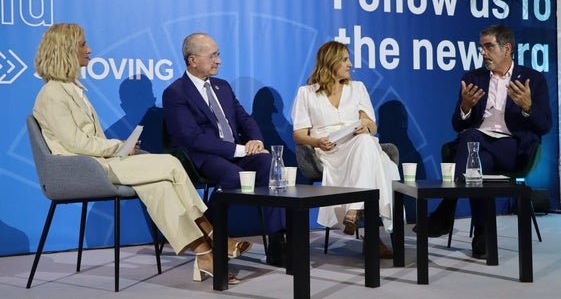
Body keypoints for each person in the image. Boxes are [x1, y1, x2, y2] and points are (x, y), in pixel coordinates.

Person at [32, 23, 251, 284]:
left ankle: (204, 255)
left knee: (159, 187)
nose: (89, 50)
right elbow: (76, 143)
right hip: (82, 168)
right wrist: (118, 146)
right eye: (82, 45)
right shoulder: (52, 93)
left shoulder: (73, 89)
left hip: (100, 161)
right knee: (169, 164)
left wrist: (122, 149)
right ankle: (213, 232)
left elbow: (86, 140)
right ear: (65, 50)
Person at [426, 24, 552, 259]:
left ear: (506, 48)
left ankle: (447, 207)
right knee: (476, 156)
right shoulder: (473, 78)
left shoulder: (533, 80)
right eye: (481, 47)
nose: (483, 52)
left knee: (471, 141)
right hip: (479, 147)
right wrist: (465, 107)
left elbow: (545, 125)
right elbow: (458, 124)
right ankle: (483, 237)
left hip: (513, 147)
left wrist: (528, 107)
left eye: (488, 46)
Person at [162, 32, 286, 266]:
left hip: (236, 152)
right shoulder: (175, 93)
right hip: (202, 157)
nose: (218, 60)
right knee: (233, 176)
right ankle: (210, 234)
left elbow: (244, 119)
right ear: (192, 60)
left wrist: (256, 142)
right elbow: (192, 138)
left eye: (218, 54)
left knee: (269, 165)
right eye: (213, 56)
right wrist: (238, 150)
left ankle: (277, 243)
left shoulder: (222, 86)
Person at [291, 41, 401, 259]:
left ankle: (354, 210)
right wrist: (318, 142)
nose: (350, 64)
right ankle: (371, 237)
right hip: (328, 152)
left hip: (357, 145)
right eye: (344, 60)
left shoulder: (357, 88)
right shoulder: (307, 93)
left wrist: (365, 127)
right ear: (330, 62)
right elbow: (299, 134)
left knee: (366, 141)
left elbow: (372, 124)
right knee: (374, 156)